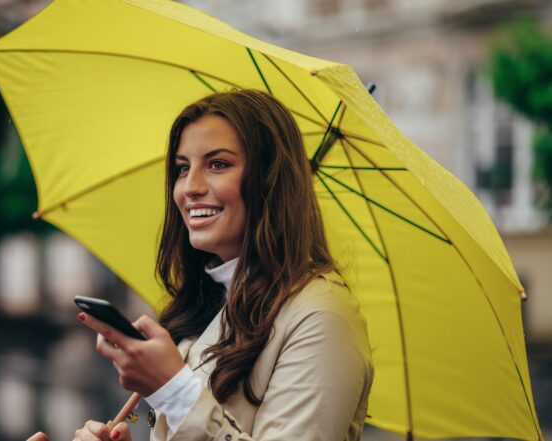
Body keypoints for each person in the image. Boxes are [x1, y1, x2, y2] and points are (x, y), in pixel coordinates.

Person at [29, 89, 373, 441]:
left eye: (217, 164)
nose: (189, 188)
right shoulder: (210, 305)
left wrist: (174, 390)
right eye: (182, 168)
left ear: (269, 180)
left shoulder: (322, 318)